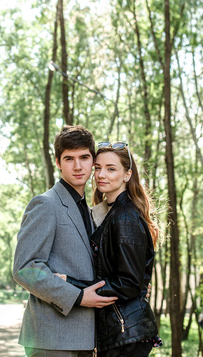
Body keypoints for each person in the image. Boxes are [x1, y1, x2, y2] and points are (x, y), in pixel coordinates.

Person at [13, 126, 118, 357]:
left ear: (93, 162)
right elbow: (26, 268)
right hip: (52, 339)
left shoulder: (89, 211)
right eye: (69, 159)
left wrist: (131, 285)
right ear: (59, 163)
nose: (78, 166)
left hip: (85, 338)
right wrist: (78, 297)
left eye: (84, 157)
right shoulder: (45, 204)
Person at [58, 141, 162, 357]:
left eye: (111, 168)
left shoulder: (125, 217)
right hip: (118, 330)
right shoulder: (111, 213)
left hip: (126, 333)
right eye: (98, 168)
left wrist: (71, 285)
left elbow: (129, 283)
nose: (101, 175)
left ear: (127, 175)